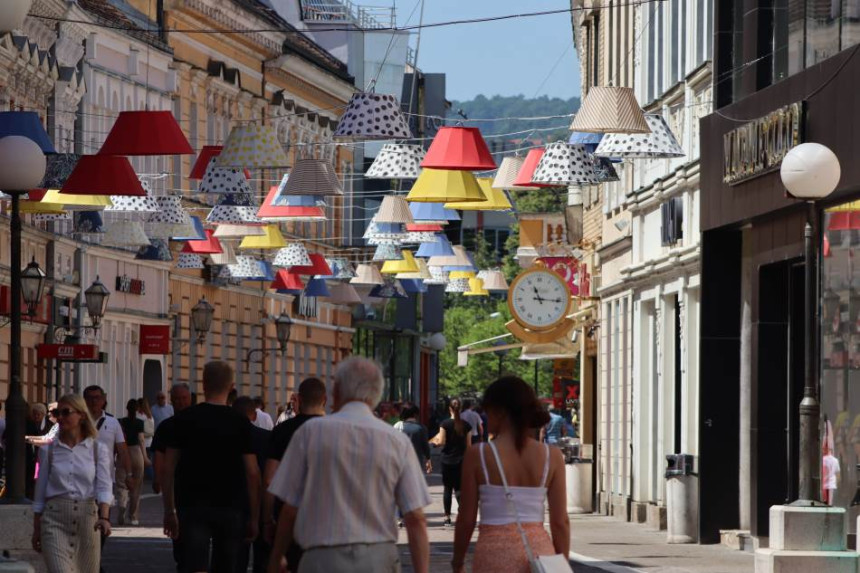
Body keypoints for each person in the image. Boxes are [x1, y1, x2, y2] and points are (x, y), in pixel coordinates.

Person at [267, 357, 431, 573]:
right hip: (377, 559)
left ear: (336, 392)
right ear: (376, 395)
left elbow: (290, 508)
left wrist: (276, 557)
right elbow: (415, 518)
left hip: (322, 558)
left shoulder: (310, 433)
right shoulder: (397, 441)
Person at [452, 377, 570, 573]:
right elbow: (560, 522)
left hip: (493, 556)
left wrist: (457, 562)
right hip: (540, 553)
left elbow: (466, 519)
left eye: (487, 410)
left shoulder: (478, 455)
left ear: (499, 411)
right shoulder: (552, 456)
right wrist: (561, 565)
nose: (485, 416)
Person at [162, 361, 261, 573]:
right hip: (231, 506)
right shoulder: (240, 422)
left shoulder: (184, 420)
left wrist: (169, 510)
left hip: (192, 504)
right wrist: (254, 515)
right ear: (232, 386)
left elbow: (168, 469)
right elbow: (253, 473)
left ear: (203, 385)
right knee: (225, 566)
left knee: (195, 565)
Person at [32, 394, 113, 573]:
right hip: (54, 520)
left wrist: (104, 517)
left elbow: (104, 485)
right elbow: (40, 492)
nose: (60, 417)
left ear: (81, 415)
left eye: (65, 412)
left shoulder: (97, 449)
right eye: (56, 413)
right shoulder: (49, 450)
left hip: (87, 521)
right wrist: (36, 528)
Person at [263, 378, 327, 572]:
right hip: (325, 518)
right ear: (325, 399)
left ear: (298, 399)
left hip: (288, 516)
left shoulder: (282, 430)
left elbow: (268, 479)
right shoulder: (333, 430)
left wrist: (267, 520)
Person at [151, 383, 193, 572]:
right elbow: (158, 455)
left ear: (190, 398)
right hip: (177, 486)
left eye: (184, 398)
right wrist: (158, 479)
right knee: (179, 529)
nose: (181, 402)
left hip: (198, 485)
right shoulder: (167, 427)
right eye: (177, 399)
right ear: (171, 400)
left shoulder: (197, 423)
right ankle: (183, 562)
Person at [233, 397, 271, 573]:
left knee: (235, 560)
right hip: (262, 504)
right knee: (262, 559)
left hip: (233, 505)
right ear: (254, 415)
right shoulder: (266, 438)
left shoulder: (227, 437)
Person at [429, 398, 472, 527]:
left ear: (449, 409)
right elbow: (469, 446)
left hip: (447, 460)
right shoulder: (466, 425)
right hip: (462, 460)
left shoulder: (445, 424)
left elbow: (441, 442)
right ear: (461, 409)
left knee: (447, 488)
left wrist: (433, 443)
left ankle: (447, 517)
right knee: (459, 488)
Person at [117, 399, 150, 526]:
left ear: (126, 408)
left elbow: (118, 440)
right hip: (136, 453)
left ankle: (122, 504)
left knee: (121, 483)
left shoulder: (121, 422)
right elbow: (141, 440)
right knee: (136, 486)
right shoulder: (139, 423)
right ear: (137, 409)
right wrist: (145, 457)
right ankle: (133, 516)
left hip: (123, 452)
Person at [395, 404, 432, 474]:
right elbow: (425, 447)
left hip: (400, 462)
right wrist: (428, 460)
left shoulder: (397, 426)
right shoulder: (421, 428)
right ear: (415, 415)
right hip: (416, 463)